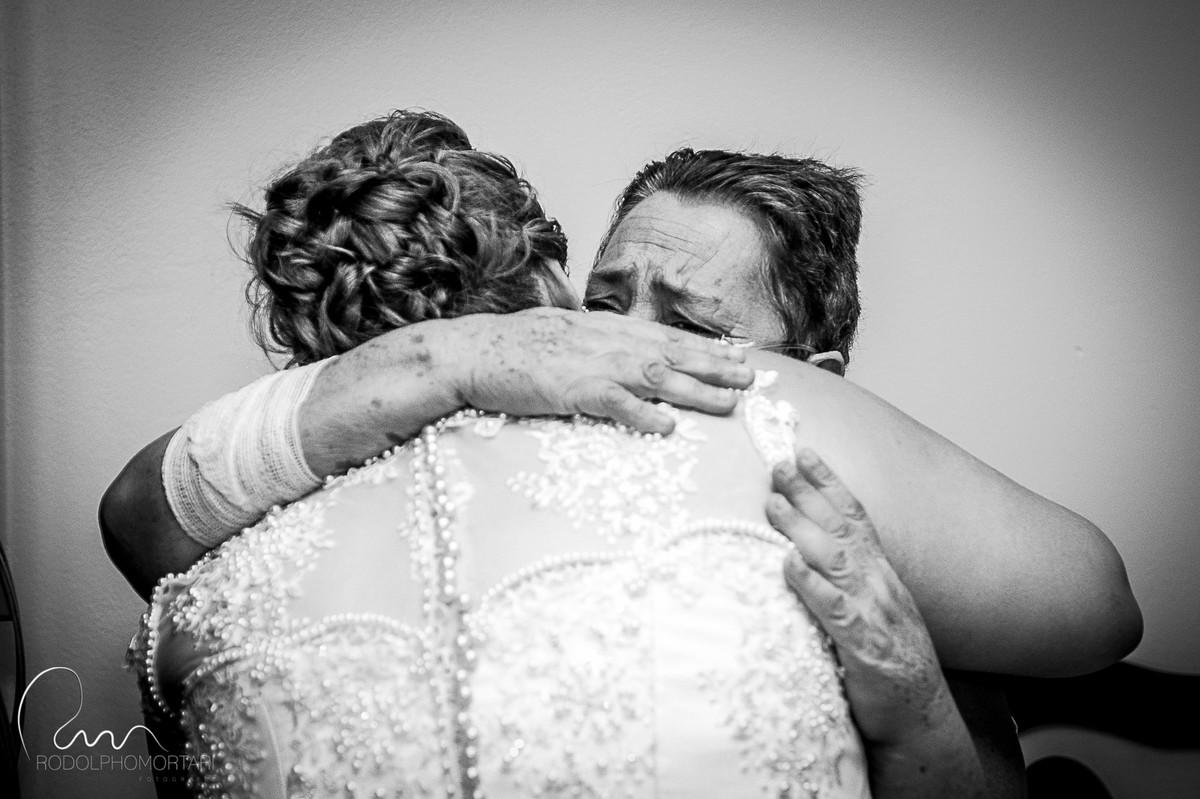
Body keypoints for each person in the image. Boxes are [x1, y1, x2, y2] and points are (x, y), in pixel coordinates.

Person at [108, 111, 1139, 797]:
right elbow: (135, 514)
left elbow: (1097, 610)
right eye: (603, 307)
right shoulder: (473, 396)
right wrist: (452, 357)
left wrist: (911, 689)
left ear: (814, 377)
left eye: (686, 326)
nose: (614, 349)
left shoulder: (837, 506)